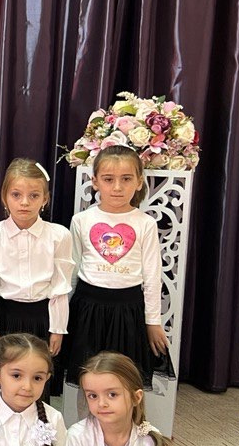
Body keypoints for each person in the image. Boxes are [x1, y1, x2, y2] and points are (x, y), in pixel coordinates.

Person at [65, 145, 168, 420]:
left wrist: (153, 321)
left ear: (139, 181)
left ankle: (128, 435)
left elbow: (152, 276)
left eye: (126, 179)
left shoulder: (145, 223)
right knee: (89, 376)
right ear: (95, 181)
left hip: (128, 312)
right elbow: (72, 270)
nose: (117, 187)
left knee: (126, 379)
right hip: (87, 310)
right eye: (109, 179)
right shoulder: (82, 220)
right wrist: (63, 316)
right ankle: (87, 435)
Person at [0, 158, 72, 398]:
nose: (24, 202)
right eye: (16, 195)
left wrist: (58, 329)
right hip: (4, 317)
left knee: (35, 385)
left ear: (45, 199)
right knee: (2, 384)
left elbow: (60, 286)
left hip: (41, 318)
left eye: (34, 196)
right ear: (4, 197)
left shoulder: (58, 236)